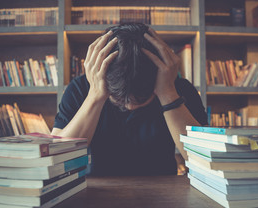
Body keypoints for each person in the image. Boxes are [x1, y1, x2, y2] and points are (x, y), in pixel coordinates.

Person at [51, 23, 208, 176]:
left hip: (164, 191)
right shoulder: (80, 89)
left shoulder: (179, 89)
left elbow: (205, 163)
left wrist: (168, 94)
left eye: (141, 99)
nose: (130, 106)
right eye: (119, 99)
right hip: (94, 191)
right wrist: (95, 95)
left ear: (159, 77)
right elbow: (57, 161)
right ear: (103, 78)